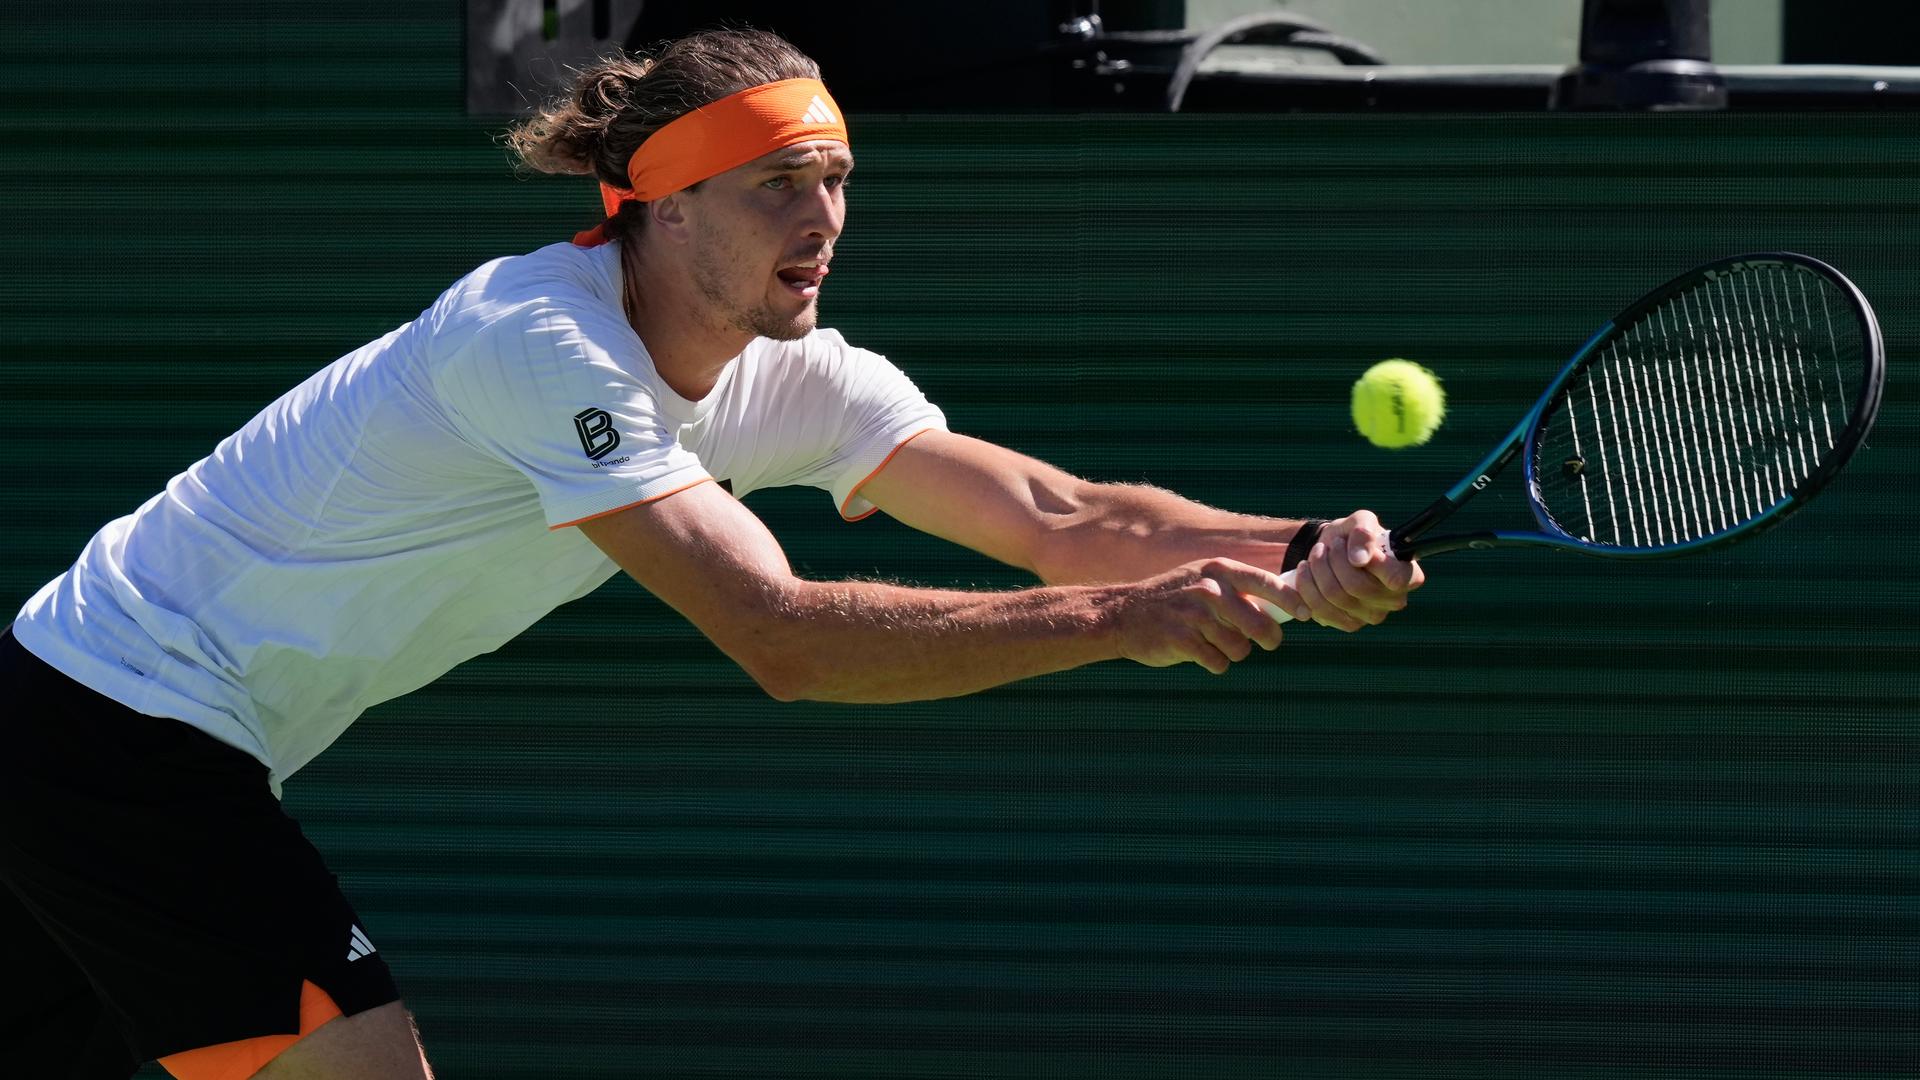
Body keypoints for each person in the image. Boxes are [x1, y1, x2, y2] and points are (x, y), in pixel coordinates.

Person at [0, 26, 1423, 1080]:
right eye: (780, 186)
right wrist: (1126, 620)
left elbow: (1061, 518)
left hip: (108, 733)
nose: (823, 222)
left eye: (839, 181)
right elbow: (784, 636)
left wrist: (1302, 549)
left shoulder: (797, 374)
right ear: (664, 203)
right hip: (111, 733)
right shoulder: (535, 340)